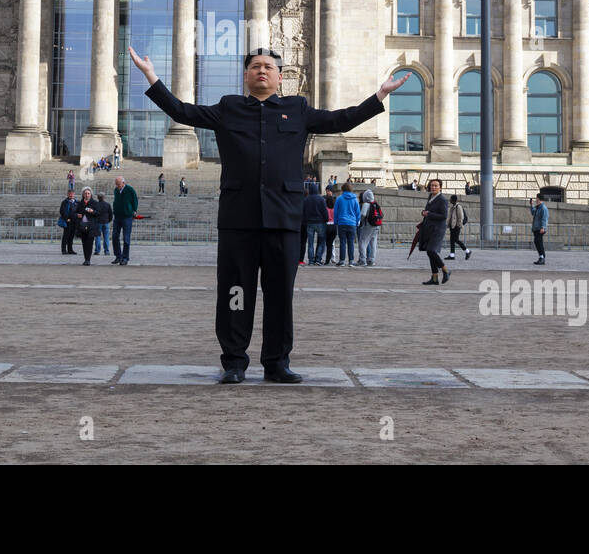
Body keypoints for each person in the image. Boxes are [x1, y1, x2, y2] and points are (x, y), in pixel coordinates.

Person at [130, 43, 405, 384]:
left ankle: (277, 362)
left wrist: (379, 95)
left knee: (279, 295)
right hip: (238, 220)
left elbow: (341, 120)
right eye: (255, 66)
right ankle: (234, 362)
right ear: (246, 76)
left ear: (279, 78)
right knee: (235, 292)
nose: (262, 70)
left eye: (268, 67)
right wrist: (150, 75)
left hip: (284, 219)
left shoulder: (298, 108)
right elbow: (183, 112)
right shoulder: (229, 108)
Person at [418, 178, 451, 285]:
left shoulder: (442, 199)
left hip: (438, 229)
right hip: (429, 229)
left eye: (436, 186)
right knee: (429, 252)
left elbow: (444, 216)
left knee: (431, 250)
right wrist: (424, 212)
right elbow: (429, 211)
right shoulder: (431, 197)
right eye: (432, 185)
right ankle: (435, 277)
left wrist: (429, 214)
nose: (433, 187)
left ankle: (445, 269)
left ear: (440, 187)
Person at [112, 175, 138, 265]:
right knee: (115, 236)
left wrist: (134, 210)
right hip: (117, 217)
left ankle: (125, 257)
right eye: (116, 184)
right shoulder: (116, 190)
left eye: (118, 184)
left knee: (126, 238)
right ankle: (118, 256)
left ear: (123, 183)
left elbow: (135, 200)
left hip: (127, 217)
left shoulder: (130, 190)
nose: (117, 186)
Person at [333, 181, 360, 267]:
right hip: (352, 223)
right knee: (351, 242)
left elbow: (336, 211)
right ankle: (351, 261)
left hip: (342, 223)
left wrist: (335, 221)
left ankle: (342, 261)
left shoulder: (339, 198)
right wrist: (356, 221)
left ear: (342, 189)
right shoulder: (355, 199)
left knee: (342, 242)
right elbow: (357, 212)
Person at [304, 184, 329, 265]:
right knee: (321, 242)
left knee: (310, 243)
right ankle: (318, 259)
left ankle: (311, 260)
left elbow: (304, 212)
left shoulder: (306, 199)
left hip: (310, 222)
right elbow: (324, 211)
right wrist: (326, 219)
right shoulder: (321, 199)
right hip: (320, 222)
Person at [357, 187, 380, 266]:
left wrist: (360, 222)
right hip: (376, 226)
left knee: (362, 242)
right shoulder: (376, 204)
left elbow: (363, 214)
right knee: (373, 243)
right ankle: (372, 260)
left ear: (365, 197)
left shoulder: (366, 204)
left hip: (368, 226)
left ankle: (362, 260)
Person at [76, 187, 98, 265]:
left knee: (90, 243)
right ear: (83, 194)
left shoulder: (95, 203)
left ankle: (88, 259)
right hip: (82, 226)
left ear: (91, 194)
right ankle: (86, 258)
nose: (87, 195)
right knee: (84, 243)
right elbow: (75, 213)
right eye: (85, 193)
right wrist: (77, 215)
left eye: (88, 193)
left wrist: (93, 211)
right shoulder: (79, 203)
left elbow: (98, 213)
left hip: (91, 226)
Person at [446, 192, 471, 260]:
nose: (450, 200)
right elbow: (450, 217)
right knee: (452, 240)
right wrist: (448, 225)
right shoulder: (452, 207)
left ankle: (467, 251)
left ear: (453, 200)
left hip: (456, 226)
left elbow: (461, 217)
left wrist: (459, 225)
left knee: (456, 240)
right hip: (452, 226)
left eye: (450, 199)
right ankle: (452, 255)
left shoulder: (458, 207)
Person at [58, 189, 79, 255]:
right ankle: (63, 250)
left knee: (71, 236)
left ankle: (70, 250)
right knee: (66, 236)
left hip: (74, 222)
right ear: (68, 194)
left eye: (72, 194)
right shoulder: (64, 202)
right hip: (68, 222)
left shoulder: (77, 202)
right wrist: (66, 219)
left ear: (74, 194)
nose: (71, 195)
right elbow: (62, 211)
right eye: (69, 194)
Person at [529, 193, 548, 265]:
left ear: (539, 199)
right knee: (538, 242)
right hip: (536, 228)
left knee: (538, 242)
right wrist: (531, 205)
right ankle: (541, 257)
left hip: (540, 229)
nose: (535, 199)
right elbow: (533, 213)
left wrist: (543, 227)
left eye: (536, 198)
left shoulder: (543, 208)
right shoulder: (538, 207)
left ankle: (542, 258)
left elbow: (544, 219)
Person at [94, 192, 113, 257]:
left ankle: (97, 251)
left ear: (98, 198)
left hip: (98, 222)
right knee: (106, 237)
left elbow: (95, 214)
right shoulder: (107, 204)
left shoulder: (96, 204)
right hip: (106, 222)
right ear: (104, 197)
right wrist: (108, 220)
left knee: (97, 237)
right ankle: (106, 251)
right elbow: (111, 214)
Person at [324, 191, 338, 264]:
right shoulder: (335, 209)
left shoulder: (326, 209)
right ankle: (330, 258)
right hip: (334, 226)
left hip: (327, 226)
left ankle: (326, 259)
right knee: (331, 244)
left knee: (327, 244)